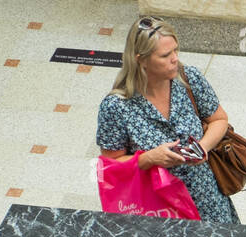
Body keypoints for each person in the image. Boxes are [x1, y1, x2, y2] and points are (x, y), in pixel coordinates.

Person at [97, 16, 238, 223]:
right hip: (159, 209)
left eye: (175, 50)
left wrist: (202, 148)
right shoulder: (115, 107)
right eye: (165, 55)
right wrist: (150, 158)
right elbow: (111, 164)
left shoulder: (189, 78)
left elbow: (219, 119)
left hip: (207, 200)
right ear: (141, 60)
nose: (175, 59)